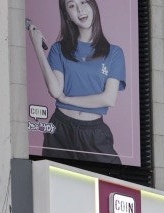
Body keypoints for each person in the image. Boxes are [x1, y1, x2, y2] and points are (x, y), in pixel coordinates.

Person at [27, 0, 126, 165]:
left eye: (84, 2)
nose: (80, 10)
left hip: (93, 132)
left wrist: (68, 100)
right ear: (67, 15)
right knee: (53, 184)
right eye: (72, 6)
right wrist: (38, 47)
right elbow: (55, 91)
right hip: (59, 129)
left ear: (93, 5)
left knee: (112, 180)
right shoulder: (59, 49)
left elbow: (109, 99)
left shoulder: (114, 53)